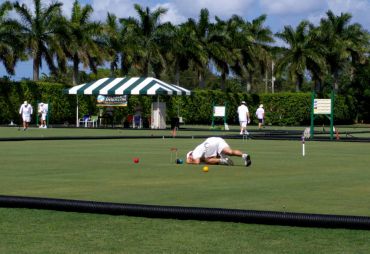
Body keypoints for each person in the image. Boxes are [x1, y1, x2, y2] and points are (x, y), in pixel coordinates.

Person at [186, 137, 252, 167]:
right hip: (217, 139)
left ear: (190, 155)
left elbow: (197, 162)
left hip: (209, 144)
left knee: (208, 160)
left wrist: (190, 162)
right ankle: (244, 155)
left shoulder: (195, 153)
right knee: (229, 152)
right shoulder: (199, 150)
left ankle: (224, 161)